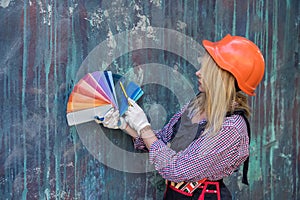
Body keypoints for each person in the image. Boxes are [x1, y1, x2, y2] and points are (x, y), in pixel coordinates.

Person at [96, 34, 265, 199]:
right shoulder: (196, 105)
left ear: (223, 77)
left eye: (206, 70)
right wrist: (125, 125)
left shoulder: (231, 127)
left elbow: (178, 170)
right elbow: (160, 141)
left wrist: (143, 127)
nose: (198, 73)